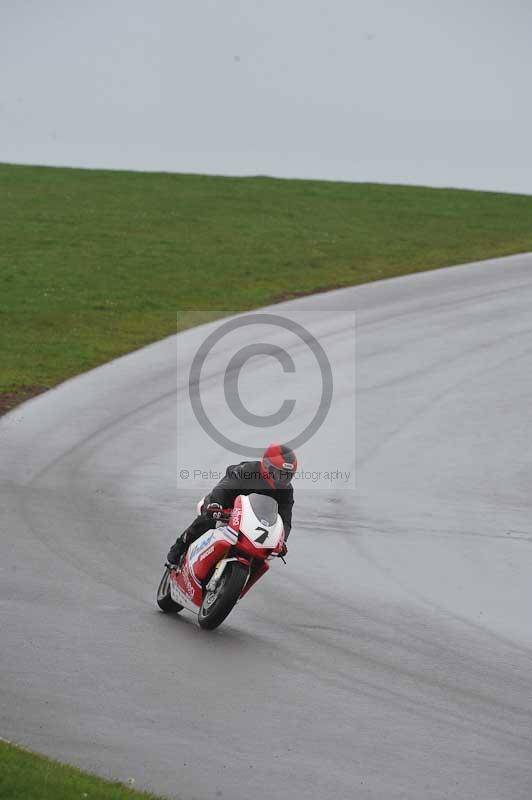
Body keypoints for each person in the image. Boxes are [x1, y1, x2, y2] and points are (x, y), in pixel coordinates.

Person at [167, 443, 297, 565]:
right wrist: (215, 504)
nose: (282, 479)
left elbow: (285, 518)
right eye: (278, 474)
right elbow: (224, 488)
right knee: (207, 520)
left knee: (263, 554)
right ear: (266, 466)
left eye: (287, 476)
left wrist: (282, 539)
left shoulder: (286, 490)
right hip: (226, 508)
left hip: (255, 522)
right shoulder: (247, 471)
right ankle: (180, 546)